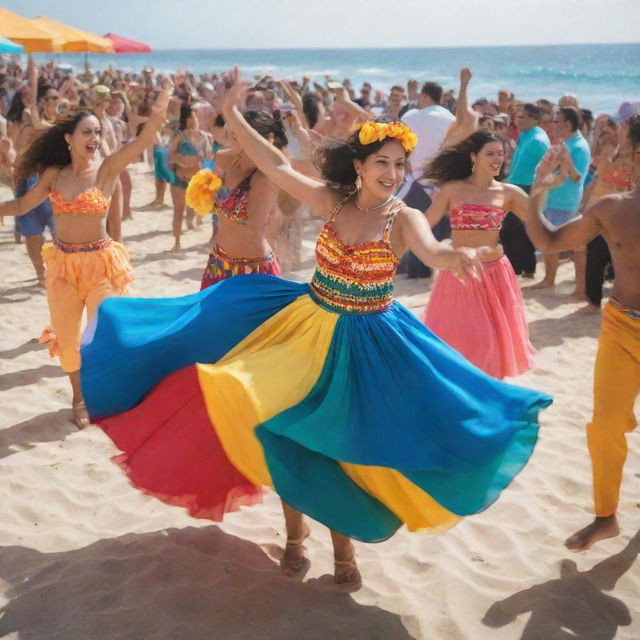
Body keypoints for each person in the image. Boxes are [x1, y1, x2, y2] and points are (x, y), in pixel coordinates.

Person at [80, 68, 551, 591]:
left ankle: (344, 550)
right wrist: (233, 113)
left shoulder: (402, 218)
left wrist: (456, 258)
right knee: (282, 431)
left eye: (399, 164)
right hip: (307, 323)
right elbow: (278, 166)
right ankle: (293, 536)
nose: (393, 173)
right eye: (382, 163)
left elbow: (434, 250)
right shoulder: (335, 201)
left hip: (367, 339)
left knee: (340, 446)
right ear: (359, 165)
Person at [0, 81, 171, 428]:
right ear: (69, 138)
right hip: (63, 265)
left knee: (106, 329)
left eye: (97, 131)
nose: (94, 137)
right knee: (67, 336)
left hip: (100, 265)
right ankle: (79, 398)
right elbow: (21, 204)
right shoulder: (53, 174)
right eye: (86, 132)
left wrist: (162, 100)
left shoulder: (106, 170)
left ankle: (113, 388)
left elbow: (141, 140)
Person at [524, 115, 640, 551]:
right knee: (605, 425)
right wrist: (538, 191)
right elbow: (550, 240)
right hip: (622, 327)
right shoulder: (611, 209)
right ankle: (606, 516)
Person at [422, 129, 535, 379]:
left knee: (490, 344)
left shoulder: (509, 193)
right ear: (474, 157)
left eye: (501, 154)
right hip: (459, 271)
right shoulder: (452, 189)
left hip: (494, 274)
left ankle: (488, 392)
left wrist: (546, 186)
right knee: (459, 340)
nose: (498, 159)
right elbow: (423, 224)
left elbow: (541, 226)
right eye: (491, 153)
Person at [193, 110, 285, 289]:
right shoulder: (226, 159)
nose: (232, 136)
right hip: (218, 263)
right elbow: (206, 192)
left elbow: (255, 224)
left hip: (252, 270)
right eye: (233, 133)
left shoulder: (266, 177)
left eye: (238, 134)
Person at [532, 106, 591, 290]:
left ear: (568, 123)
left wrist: (566, 158)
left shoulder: (579, 146)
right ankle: (549, 280)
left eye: (557, 121)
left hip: (565, 202)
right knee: (552, 243)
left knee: (554, 243)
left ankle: (550, 281)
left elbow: (577, 177)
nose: (553, 124)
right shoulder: (567, 143)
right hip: (555, 199)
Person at [500, 103, 550, 278]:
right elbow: (517, 162)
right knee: (511, 230)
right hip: (515, 184)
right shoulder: (523, 135)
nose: (518, 120)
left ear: (535, 119)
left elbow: (549, 165)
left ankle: (523, 269)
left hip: (528, 187)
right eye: (517, 116)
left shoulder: (538, 140)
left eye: (523, 117)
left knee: (514, 229)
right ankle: (520, 268)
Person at [168, 103, 212, 250]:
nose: (193, 120)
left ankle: (193, 220)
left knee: (193, 206)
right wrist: (182, 161)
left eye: (195, 117)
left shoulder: (204, 136)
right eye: (190, 118)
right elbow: (170, 156)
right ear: (185, 120)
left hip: (197, 178)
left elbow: (209, 157)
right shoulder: (179, 136)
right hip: (180, 177)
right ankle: (177, 243)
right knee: (178, 210)